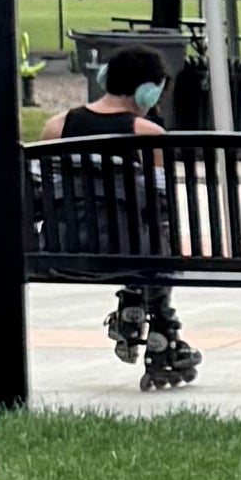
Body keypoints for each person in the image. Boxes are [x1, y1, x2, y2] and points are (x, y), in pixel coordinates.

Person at [51, 37, 199, 393]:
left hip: (66, 247)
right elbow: (162, 203)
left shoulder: (57, 126)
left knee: (145, 236)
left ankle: (135, 306)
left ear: (105, 77)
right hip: (133, 251)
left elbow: (45, 193)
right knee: (157, 236)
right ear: (148, 92)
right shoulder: (148, 135)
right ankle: (158, 324)